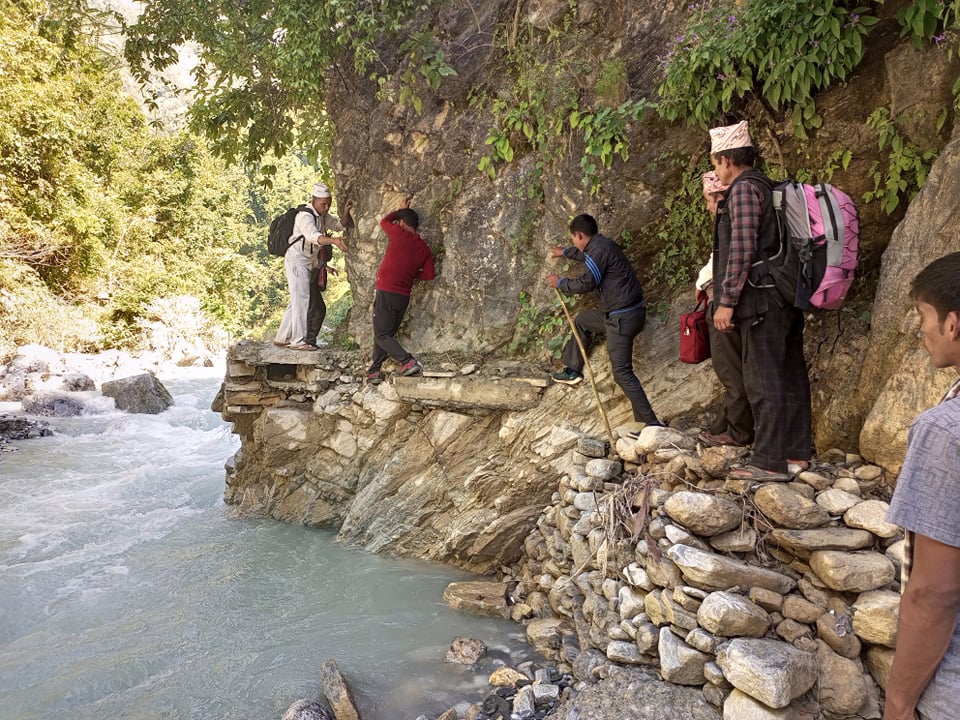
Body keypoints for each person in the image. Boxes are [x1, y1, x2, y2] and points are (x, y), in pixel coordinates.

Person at [708, 120, 811, 480]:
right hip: (785, 292)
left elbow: (742, 248)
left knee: (761, 378)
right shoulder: (767, 187)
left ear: (726, 159)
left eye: (715, 162)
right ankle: (797, 454)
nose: (715, 169)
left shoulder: (743, 191)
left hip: (760, 299)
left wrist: (726, 300)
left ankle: (768, 461)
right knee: (792, 374)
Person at [884, 252, 960, 720]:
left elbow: (935, 592)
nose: (921, 330)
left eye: (923, 316)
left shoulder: (945, 430)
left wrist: (898, 702)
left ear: (953, 324)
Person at [546, 213, 662, 427]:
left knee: (622, 373)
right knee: (582, 320)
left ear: (579, 235)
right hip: (618, 312)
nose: (573, 242)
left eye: (573, 239)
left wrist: (560, 283)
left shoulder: (598, 251)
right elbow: (583, 255)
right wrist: (563, 252)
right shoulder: (600, 245)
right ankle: (572, 371)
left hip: (622, 318)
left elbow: (587, 283)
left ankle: (652, 424)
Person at [696, 171, 755, 448]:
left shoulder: (730, 223)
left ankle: (738, 432)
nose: (708, 206)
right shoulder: (735, 221)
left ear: (720, 196)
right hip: (734, 305)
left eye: (709, 199)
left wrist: (723, 303)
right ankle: (726, 425)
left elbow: (728, 264)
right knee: (735, 369)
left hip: (724, 307)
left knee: (730, 370)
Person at [366, 198, 435, 384]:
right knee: (385, 334)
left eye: (400, 221)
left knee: (381, 334)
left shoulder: (399, 233)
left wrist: (399, 210)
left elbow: (384, 222)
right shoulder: (424, 249)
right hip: (403, 297)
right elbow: (429, 275)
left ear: (403, 223)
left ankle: (408, 361)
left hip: (387, 291)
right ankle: (374, 371)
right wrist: (410, 272)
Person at [275, 183, 351, 350]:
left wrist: (345, 213)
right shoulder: (305, 216)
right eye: (323, 204)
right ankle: (298, 341)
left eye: (329, 204)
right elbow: (313, 236)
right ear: (314, 200)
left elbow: (338, 225)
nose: (326, 207)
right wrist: (334, 241)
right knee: (302, 300)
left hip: (307, 262)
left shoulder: (322, 216)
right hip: (296, 261)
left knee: (297, 298)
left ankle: (282, 337)